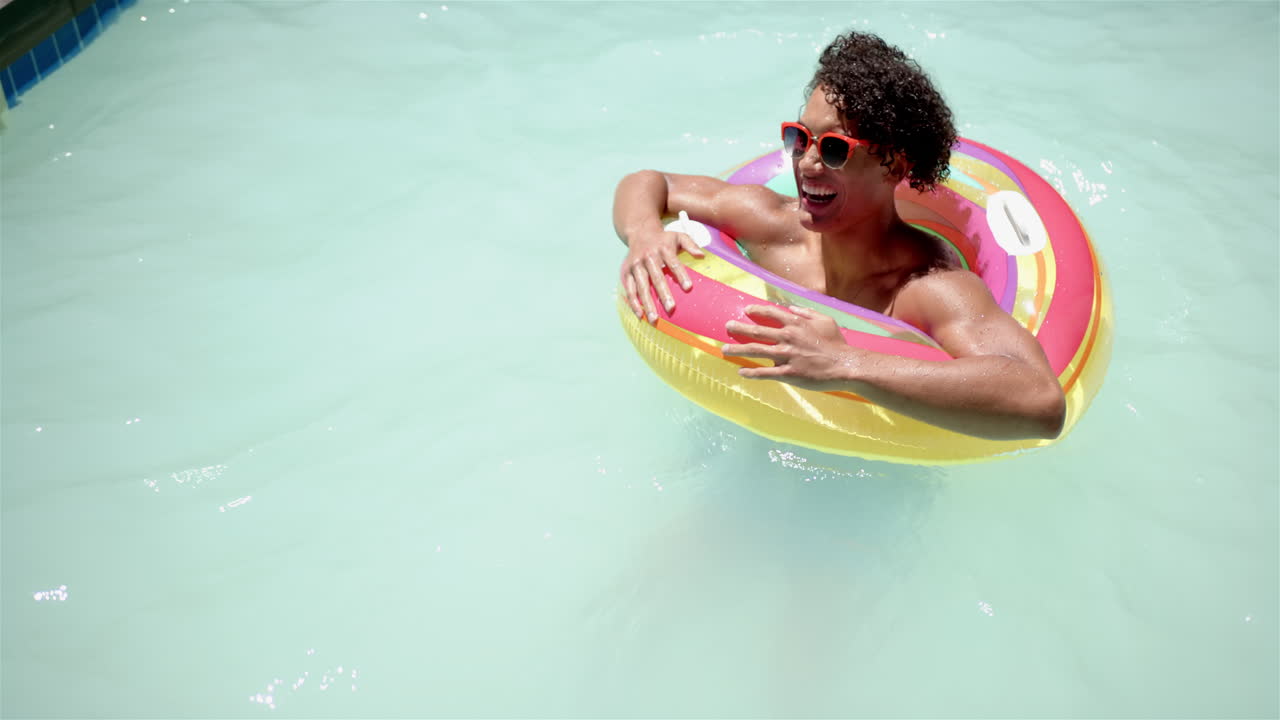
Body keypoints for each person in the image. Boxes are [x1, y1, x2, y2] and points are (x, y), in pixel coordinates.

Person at [611, 30, 1065, 441]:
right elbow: (651, 183)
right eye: (799, 137)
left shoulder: (928, 288)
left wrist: (846, 364)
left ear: (896, 167)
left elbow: (1041, 401)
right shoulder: (772, 226)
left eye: (833, 148)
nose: (806, 165)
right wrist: (645, 233)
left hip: (883, 454)